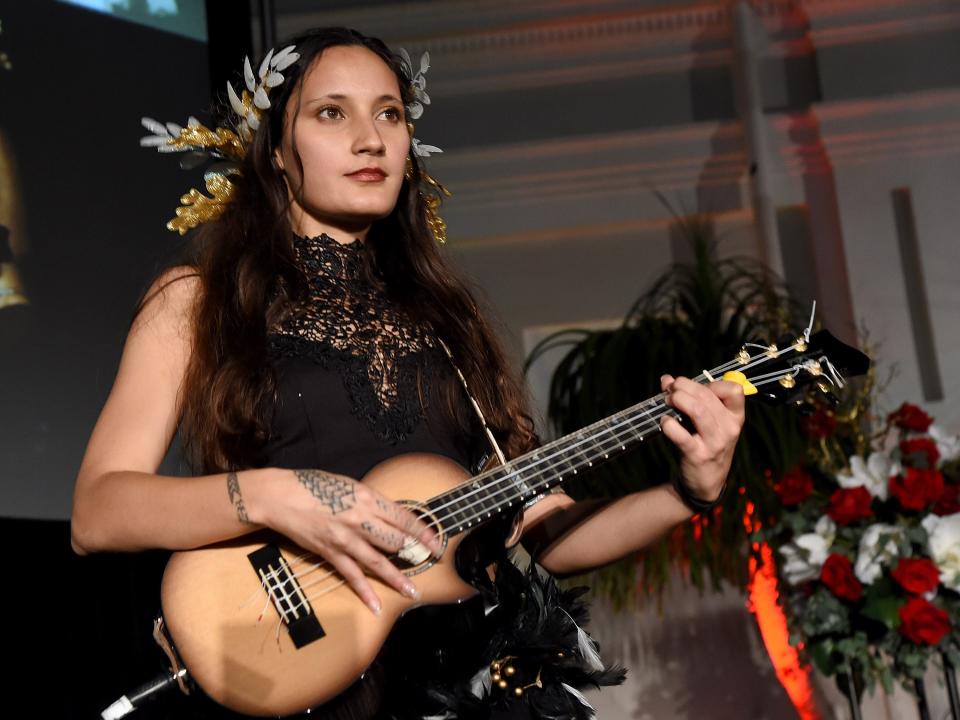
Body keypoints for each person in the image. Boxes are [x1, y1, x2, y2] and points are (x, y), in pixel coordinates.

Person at [70, 27, 745, 720]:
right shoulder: (197, 300)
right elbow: (98, 513)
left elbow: (548, 526)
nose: (372, 139)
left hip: (477, 685)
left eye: (389, 113)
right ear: (274, 148)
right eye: (332, 112)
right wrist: (271, 495)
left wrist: (688, 493)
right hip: (314, 678)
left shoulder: (448, 322)